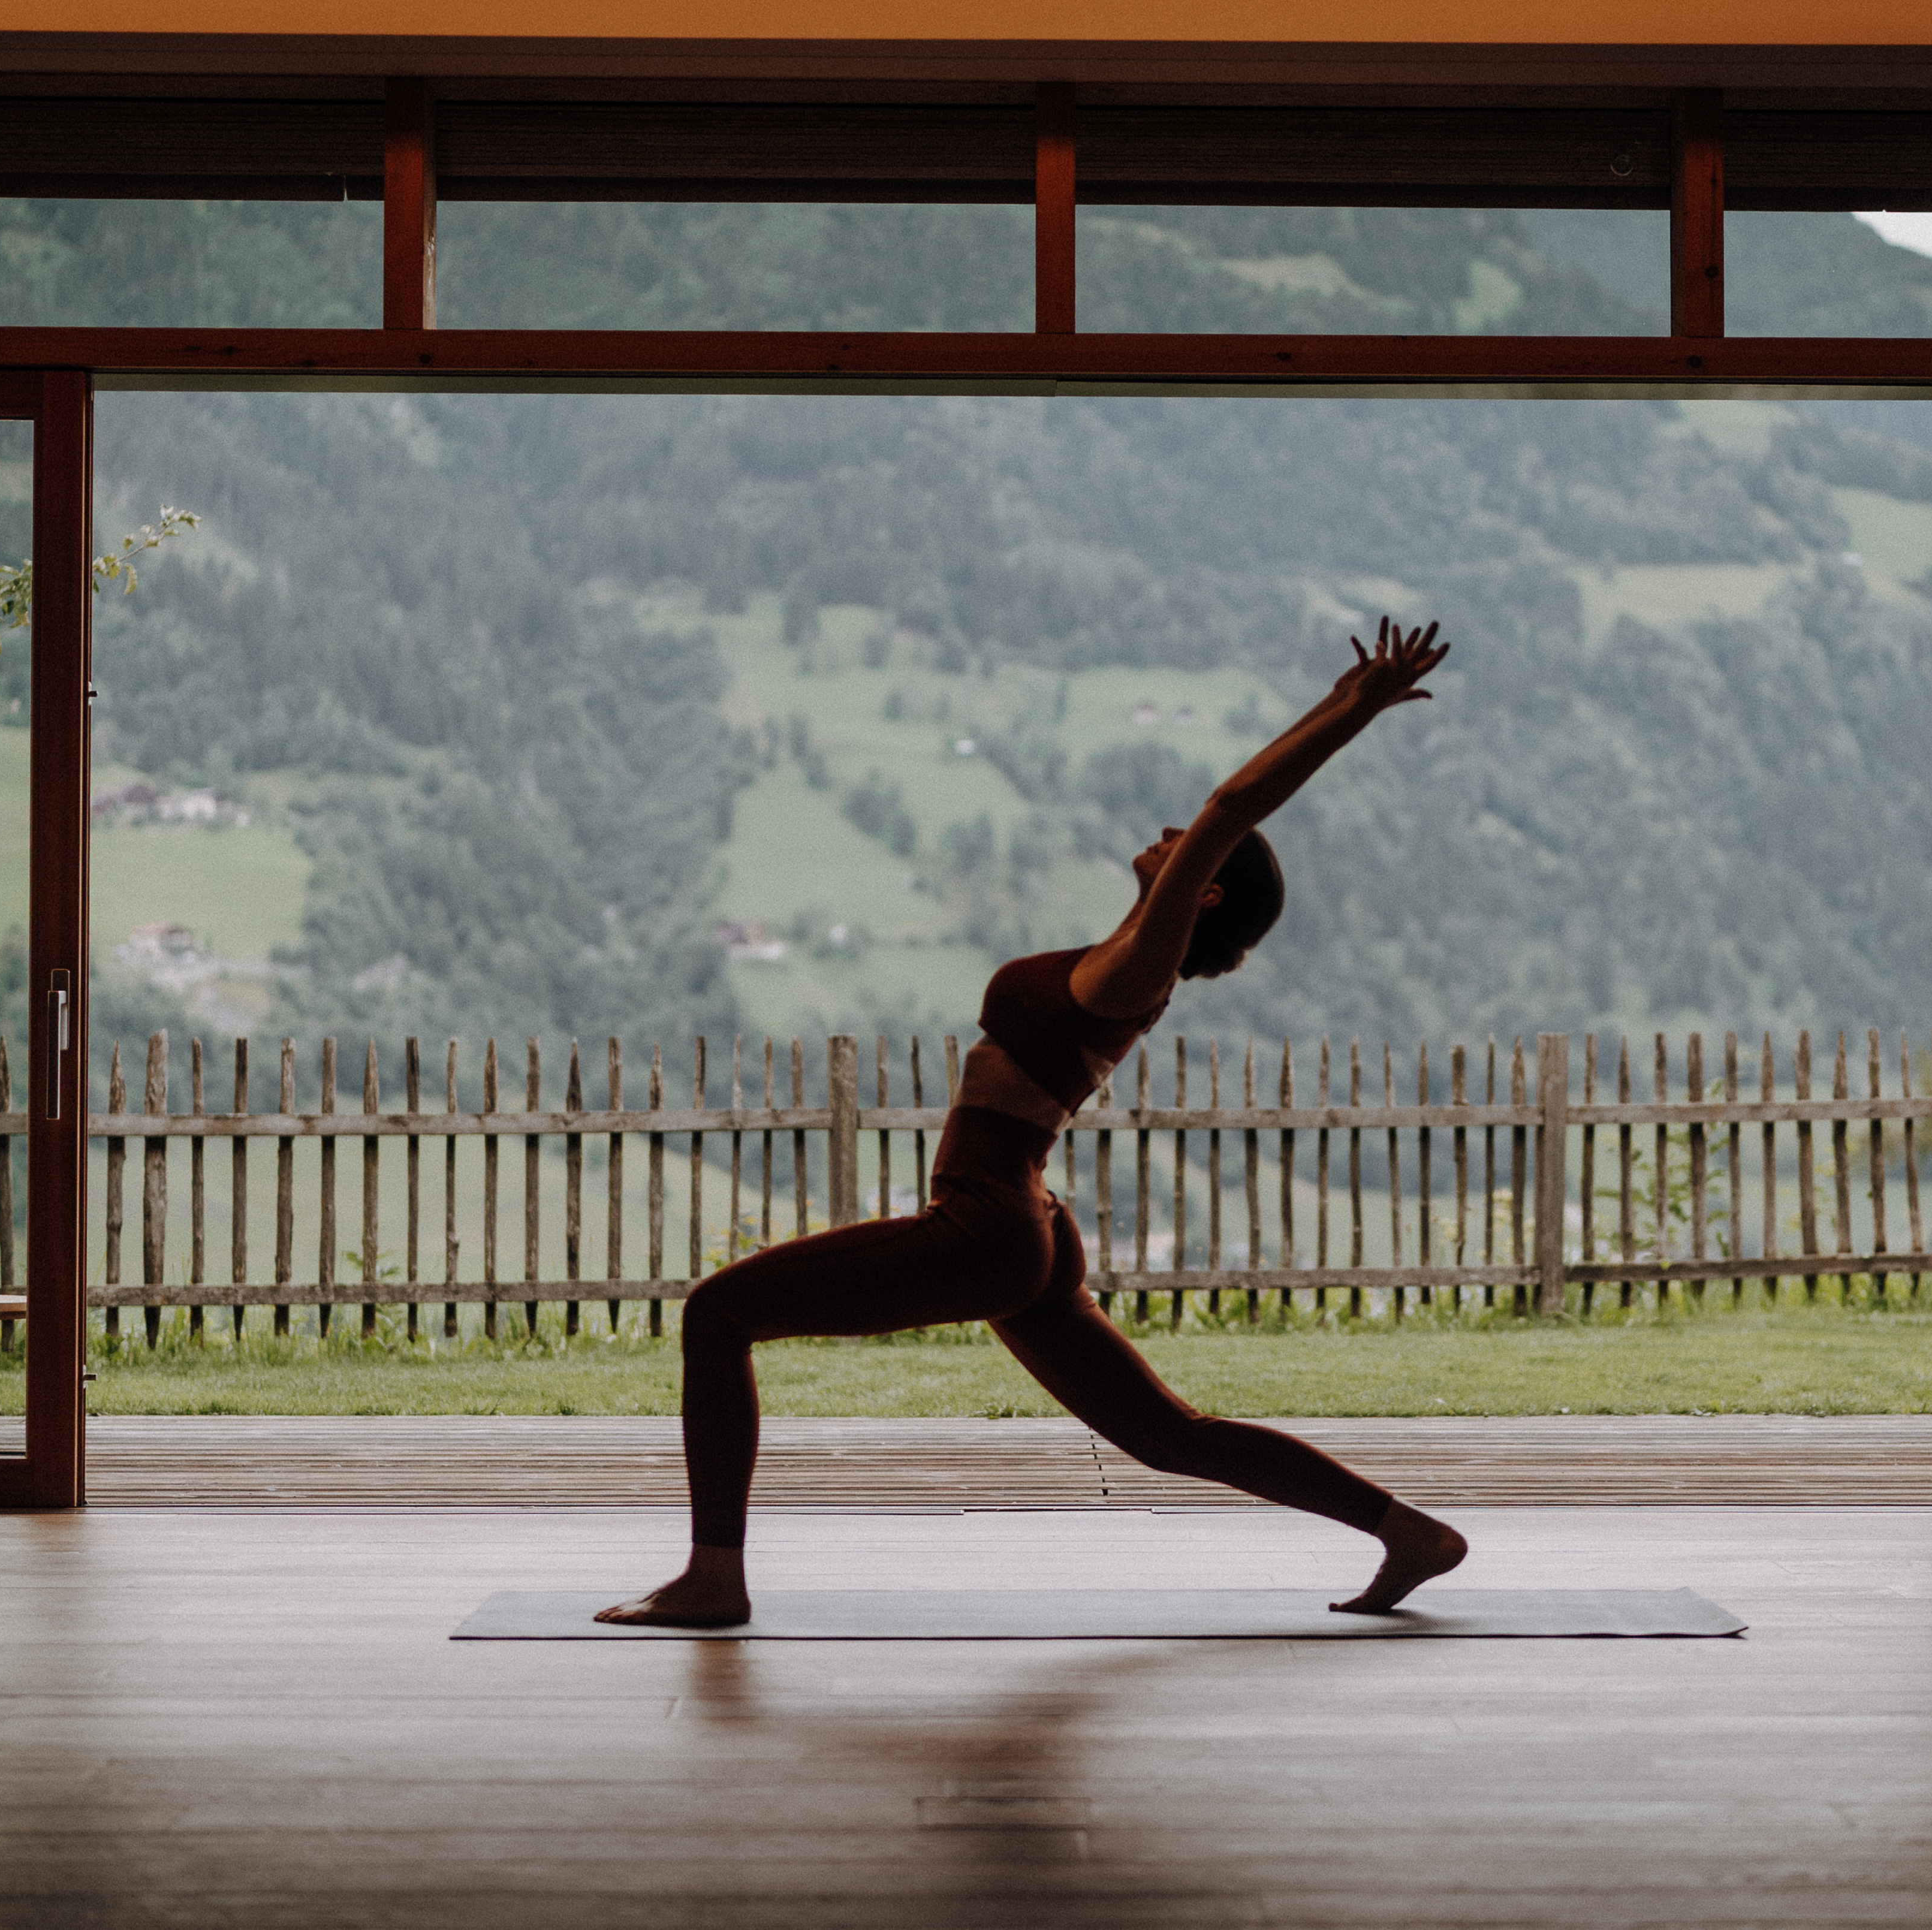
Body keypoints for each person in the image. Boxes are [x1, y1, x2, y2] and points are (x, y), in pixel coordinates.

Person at [599, 617, 1464, 1627]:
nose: (1170, 833)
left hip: (988, 1227)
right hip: (1028, 1229)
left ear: (1206, 891)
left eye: (1187, 849)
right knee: (1169, 1436)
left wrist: (1350, 714)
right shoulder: (1121, 956)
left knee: (718, 1314)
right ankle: (1406, 1530)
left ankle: (714, 1577)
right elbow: (1223, 815)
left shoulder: (1140, 969)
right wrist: (1338, 695)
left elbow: (1232, 804)